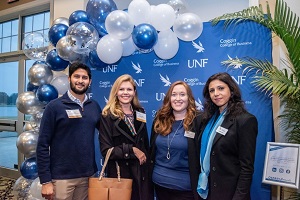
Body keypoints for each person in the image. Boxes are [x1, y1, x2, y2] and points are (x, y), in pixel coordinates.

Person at [36, 62, 101, 200]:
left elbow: (109, 133)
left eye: (84, 78)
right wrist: (46, 181)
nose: (80, 81)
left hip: (88, 176)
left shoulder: (94, 106)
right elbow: (42, 145)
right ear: (69, 79)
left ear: (89, 81)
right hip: (62, 178)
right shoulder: (54, 107)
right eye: (76, 76)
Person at [197, 72, 258, 200]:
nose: (216, 94)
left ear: (231, 90)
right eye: (212, 90)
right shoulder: (208, 120)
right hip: (208, 190)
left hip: (230, 193)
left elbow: (246, 168)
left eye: (221, 88)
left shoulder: (245, 120)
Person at [99, 74, 153, 200]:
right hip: (120, 175)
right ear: (116, 92)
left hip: (141, 175)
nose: (125, 93)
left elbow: (145, 144)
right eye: (121, 89)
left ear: (134, 92)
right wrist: (131, 149)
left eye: (129, 89)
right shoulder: (107, 115)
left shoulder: (140, 112)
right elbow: (106, 151)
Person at [150, 81, 202, 200]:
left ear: (189, 98)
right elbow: (153, 150)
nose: (178, 98)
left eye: (182, 94)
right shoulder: (160, 119)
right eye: (174, 95)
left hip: (185, 190)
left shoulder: (198, 121)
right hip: (159, 185)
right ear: (169, 98)